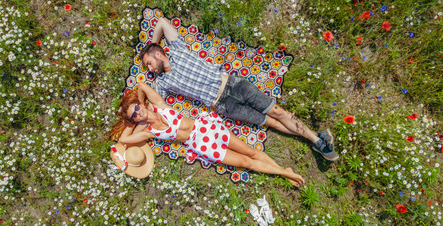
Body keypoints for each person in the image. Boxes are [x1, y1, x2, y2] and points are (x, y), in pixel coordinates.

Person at [138, 17, 339, 161]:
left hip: (235, 85)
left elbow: (162, 22)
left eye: (149, 63)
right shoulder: (162, 83)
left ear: (157, 54)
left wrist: (151, 46)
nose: (150, 69)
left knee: (277, 111)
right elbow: (153, 106)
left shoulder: (178, 50)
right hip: (224, 106)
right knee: (270, 122)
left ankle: (316, 140)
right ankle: (317, 140)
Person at [109, 82, 305, 187]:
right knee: (246, 162)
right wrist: (130, 121)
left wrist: (141, 102)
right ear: (134, 121)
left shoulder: (159, 105)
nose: (138, 113)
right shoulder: (149, 133)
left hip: (208, 128)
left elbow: (142, 86)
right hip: (203, 146)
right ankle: (285, 172)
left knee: (251, 151)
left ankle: (284, 170)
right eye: (134, 116)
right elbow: (124, 139)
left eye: (136, 109)